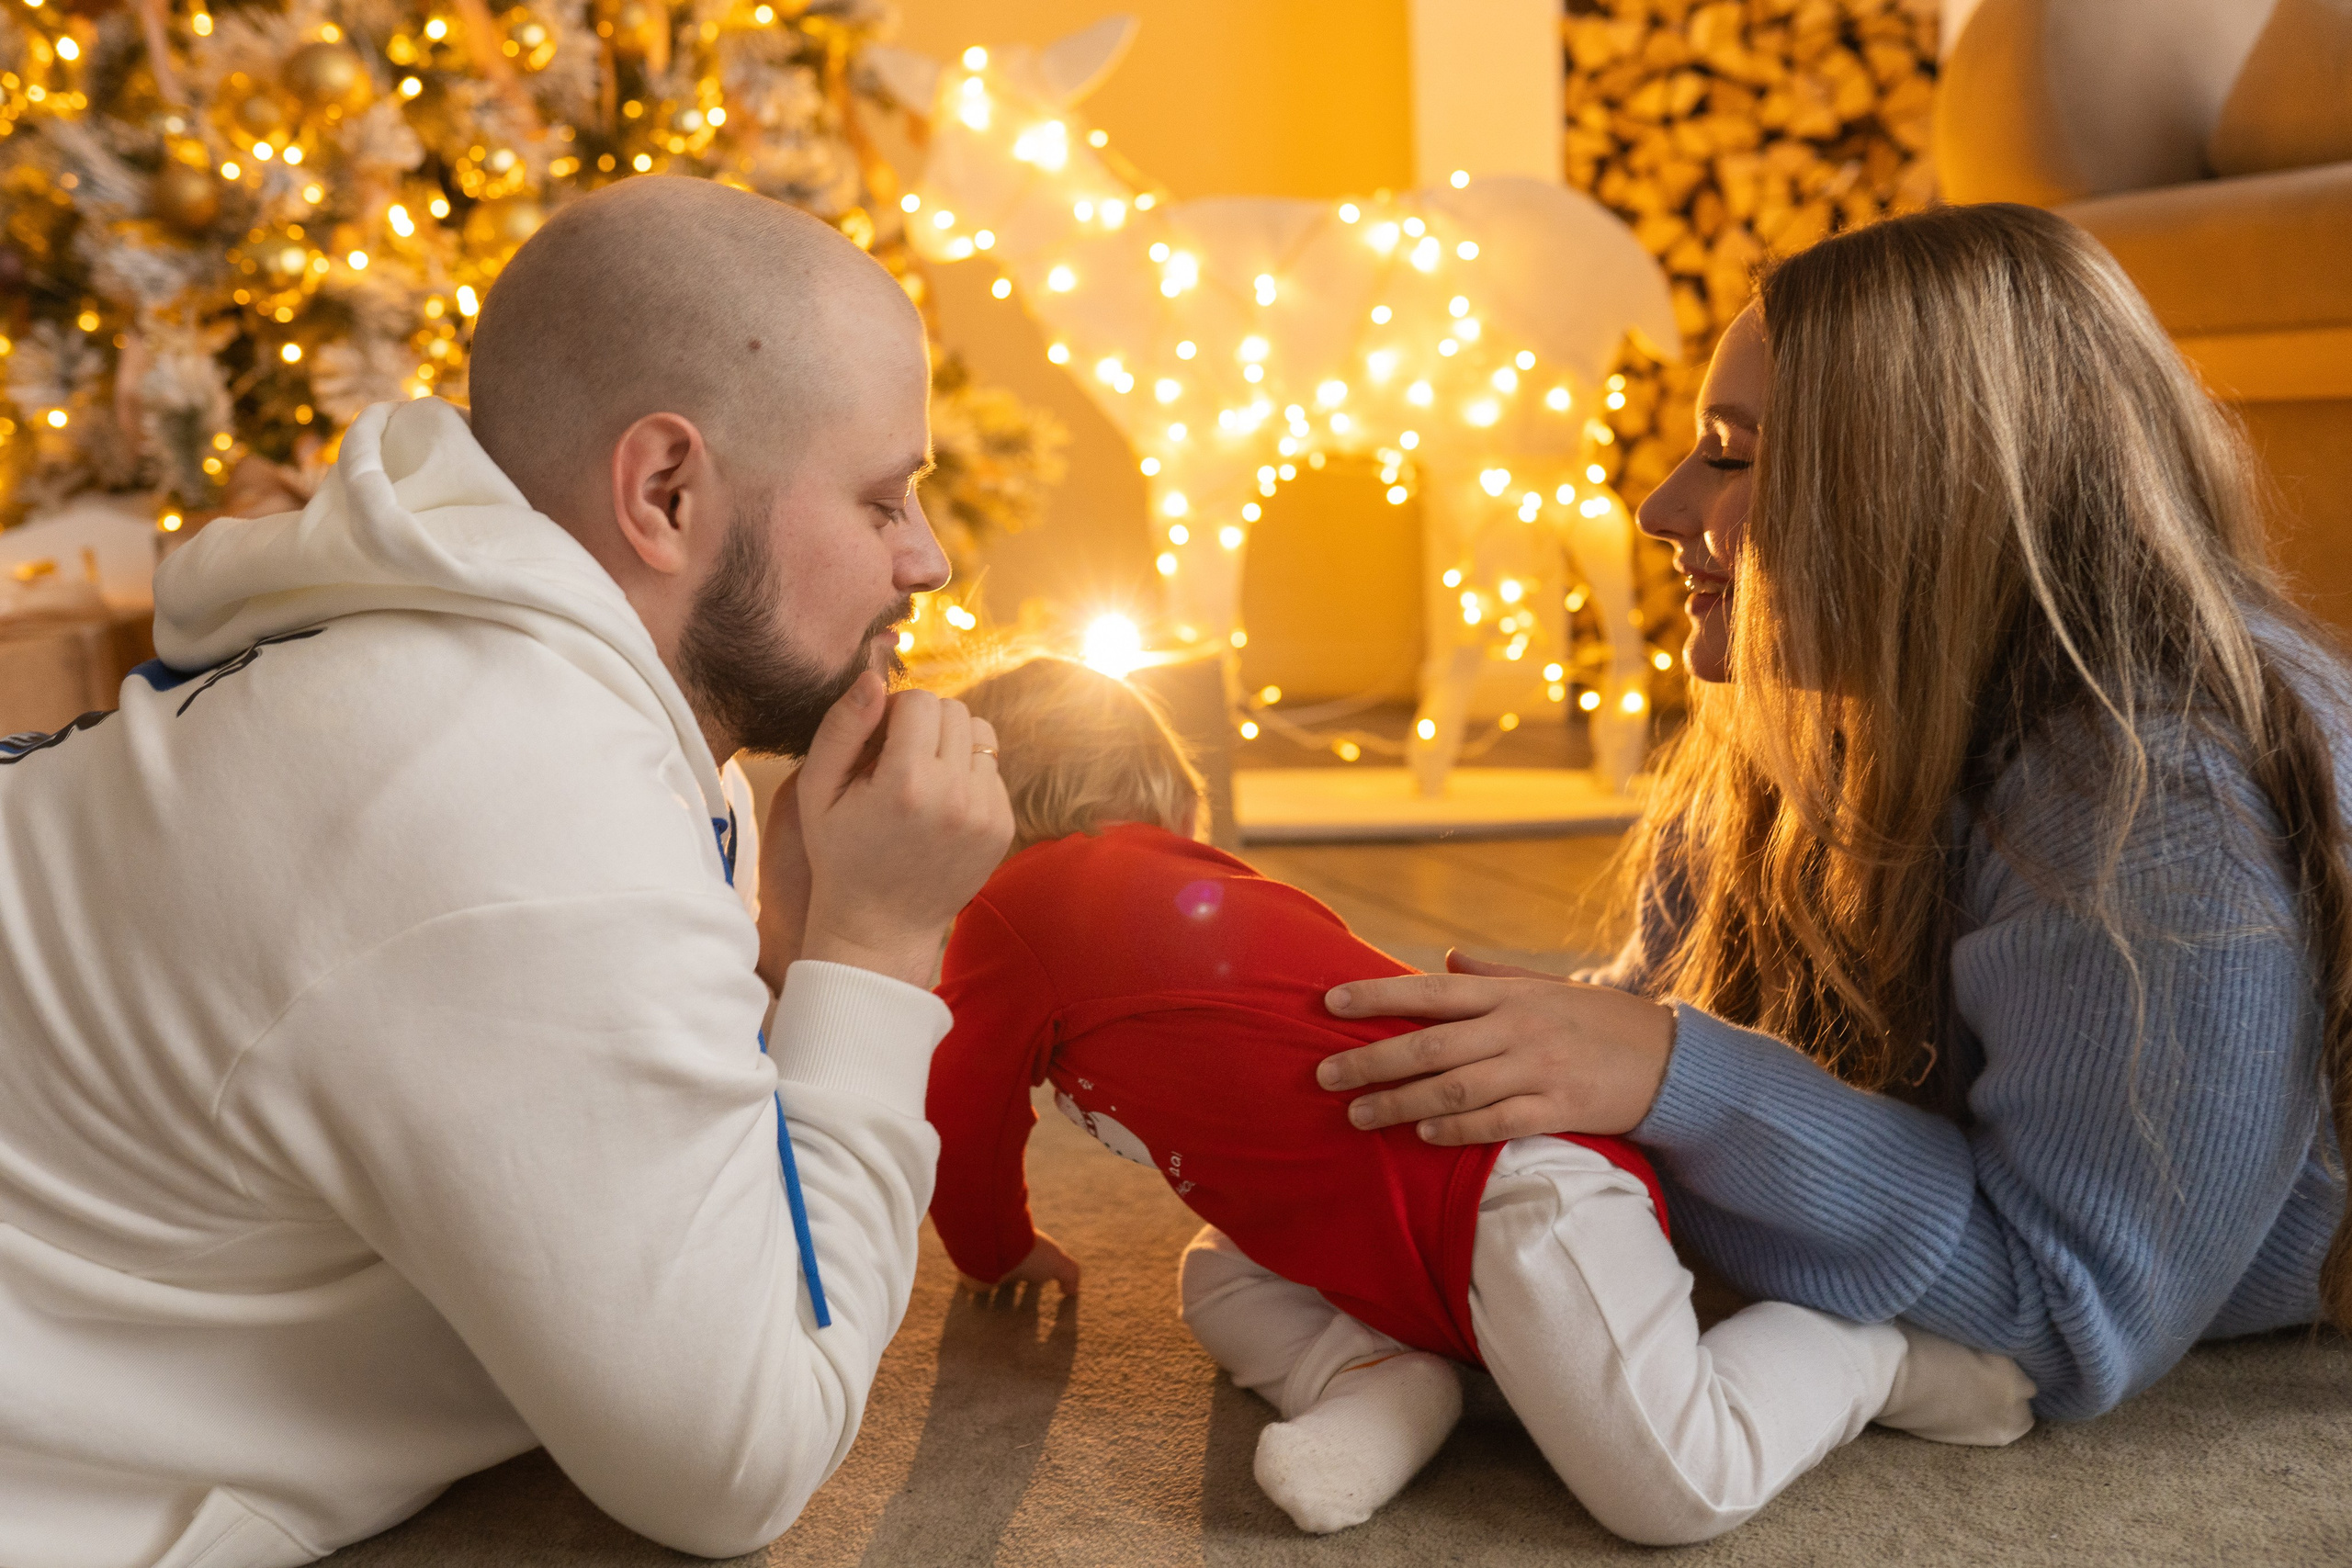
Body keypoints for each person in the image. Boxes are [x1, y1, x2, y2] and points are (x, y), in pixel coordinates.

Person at [0, 176, 1012, 1567]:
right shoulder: (514, 801)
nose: (929, 560)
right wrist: (877, 944)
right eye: (884, 497)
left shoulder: (527, 675)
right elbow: (742, 1458)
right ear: (664, 493)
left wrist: (783, 960)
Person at [1314, 203, 2350, 1424]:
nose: (1657, 507)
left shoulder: (2161, 804)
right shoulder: (1824, 713)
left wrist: (1674, 1078)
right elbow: (1653, 1016)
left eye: (1730, 455)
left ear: (1925, 490)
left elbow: (2067, 1309)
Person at [924, 655, 2032, 1545]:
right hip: (1372, 1225)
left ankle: (1866, 1354)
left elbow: (956, 1106)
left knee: (1673, 1492)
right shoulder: (1120, 896)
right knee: (1218, 1274)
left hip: (1506, 1189)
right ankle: (1381, 1379)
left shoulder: (1018, 906)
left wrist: (992, 1251)